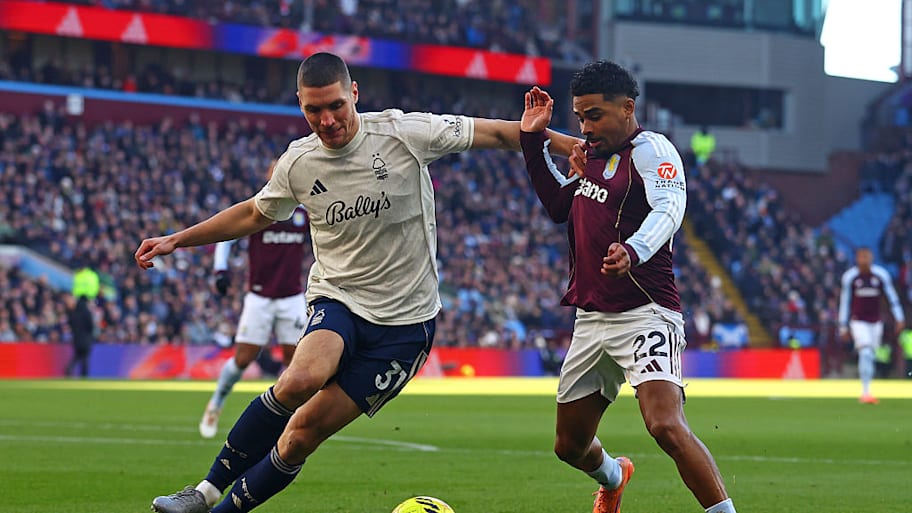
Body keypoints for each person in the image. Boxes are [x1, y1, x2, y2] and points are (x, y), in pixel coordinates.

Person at [135, 52, 577, 513]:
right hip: (339, 298)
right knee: (299, 380)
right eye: (313, 110)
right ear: (300, 105)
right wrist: (178, 240)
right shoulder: (298, 163)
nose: (326, 121)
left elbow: (504, 133)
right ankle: (203, 494)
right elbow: (252, 213)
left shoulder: (404, 133)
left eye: (335, 106)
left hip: (406, 328)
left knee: (301, 435)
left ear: (355, 94)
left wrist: (576, 148)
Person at [519, 61, 736, 513]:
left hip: (646, 311)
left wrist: (634, 250)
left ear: (627, 108)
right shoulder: (591, 155)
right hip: (591, 318)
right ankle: (614, 477)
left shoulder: (653, 150)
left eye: (594, 115)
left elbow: (669, 209)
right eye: (580, 117)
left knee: (665, 425)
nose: (585, 127)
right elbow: (560, 206)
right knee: (569, 446)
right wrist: (531, 140)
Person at [199, 161, 310, 439]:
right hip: (259, 297)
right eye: (274, 171)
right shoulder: (260, 209)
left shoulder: (302, 213)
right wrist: (220, 270)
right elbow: (226, 237)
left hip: (291, 297)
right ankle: (216, 404)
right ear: (267, 176)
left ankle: (284, 417)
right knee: (244, 358)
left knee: (294, 361)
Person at [838, 247, 905, 403]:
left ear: (871, 258)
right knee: (866, 352)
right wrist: (843, 325)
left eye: (867, 257)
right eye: (861, 257)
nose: (864, 260)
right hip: (858, 321)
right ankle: (865, 392)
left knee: (871, 354)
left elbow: (892, 297)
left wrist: (899, 318)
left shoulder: (881, 275)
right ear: (856, 258)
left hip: (876, 322)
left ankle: (867, 389)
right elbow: (845, 302)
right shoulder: (850, 277)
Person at [64, 294, 95, 377]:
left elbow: (70, 325)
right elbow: (91, 326)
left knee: (77, 356)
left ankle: (69, 369)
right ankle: (84, 375)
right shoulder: (87, 313)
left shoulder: (73, 313)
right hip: (86, 338)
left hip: (76, 338)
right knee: (84, 357)